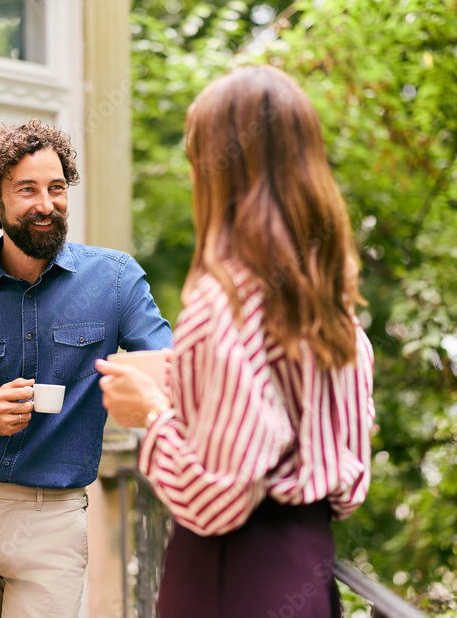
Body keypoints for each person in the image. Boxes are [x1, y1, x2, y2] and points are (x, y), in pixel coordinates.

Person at [96, 65, 375, 618]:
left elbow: (216, 499)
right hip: (307, 572)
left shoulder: (222, 301)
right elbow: (344, 480)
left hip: (231, 578)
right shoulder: (331, 304)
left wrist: (152, 413)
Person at [0, 120, 172, 618]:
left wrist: (138, 395)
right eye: (28, 190)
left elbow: (171, 374)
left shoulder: (114, 281)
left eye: (56, 188)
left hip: (53, 519)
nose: (47, 204)